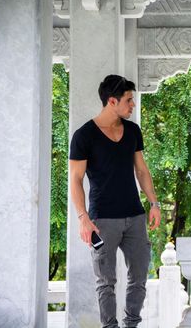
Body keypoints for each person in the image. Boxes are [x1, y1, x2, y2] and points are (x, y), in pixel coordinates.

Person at [69, 74, 161, 328]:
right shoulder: (84, 136)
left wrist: (154, 203)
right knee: (105, 281)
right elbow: (75, 180)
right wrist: (83, 219)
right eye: (129, 100)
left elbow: (141, 171)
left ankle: (131, 325)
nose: (133, 105)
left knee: (139, 277)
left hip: (135, 216)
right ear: (112, 101)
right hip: (102, 220)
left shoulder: (132, 130)